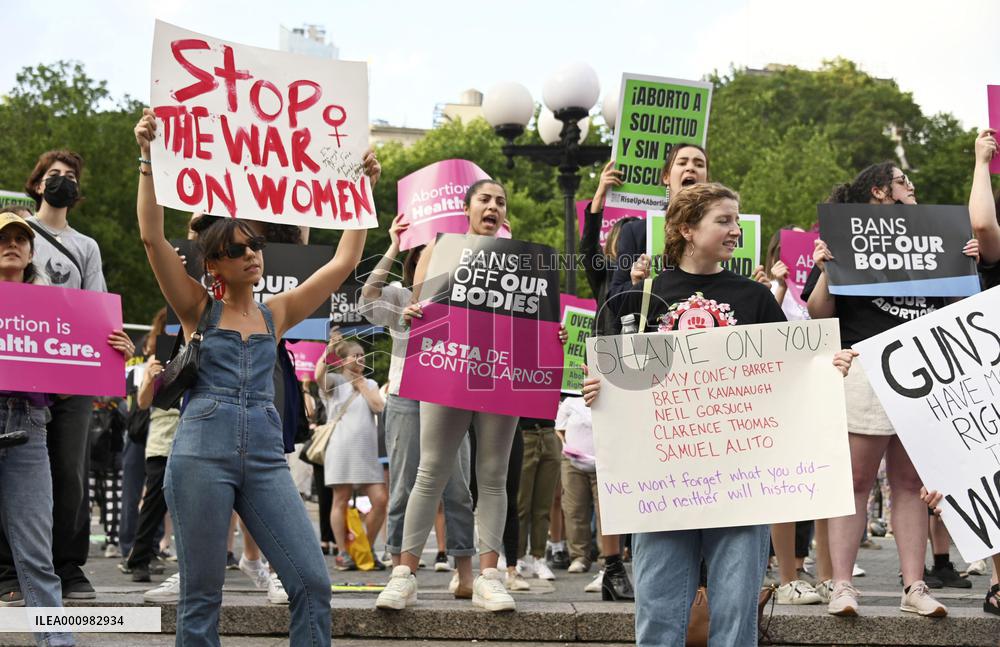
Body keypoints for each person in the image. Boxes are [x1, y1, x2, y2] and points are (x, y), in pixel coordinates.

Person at [134, 108, 372, 645]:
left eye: (255, 245)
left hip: (265, 458)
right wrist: (147, 157)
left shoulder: (278, 312)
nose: (251, 254)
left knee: (312, 582)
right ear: (212, 265)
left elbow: (344, 260)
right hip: (200, 453)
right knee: (201, 599)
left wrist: (361, 190)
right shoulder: (197, 309)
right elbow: (152, 238)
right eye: (235, 250)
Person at [582, 184, 857, 645]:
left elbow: (787, 374)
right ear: (687, 229)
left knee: (734, 616)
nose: (735, 230)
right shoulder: (644, 295)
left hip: (739, 482)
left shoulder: (754, 298)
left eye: (736, 220)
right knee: (658, 613)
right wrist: (598, 387)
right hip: (663, 481)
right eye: (723, 221)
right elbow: (616, 375)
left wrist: (826, 370)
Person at [376, 179, 564, 612]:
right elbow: (418, 302)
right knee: (431, 471)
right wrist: (411, 311)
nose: (494, 205)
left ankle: (490, 578)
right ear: (468, 208)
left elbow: (540, 318)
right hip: (450, 367)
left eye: (501, 199)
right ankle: (404, 576)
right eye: (485, 198)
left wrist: (554, 336)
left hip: (502, 370)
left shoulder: (527, 262)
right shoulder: (443, 252)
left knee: (494, 476)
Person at [804, 161, 978, 618]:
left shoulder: (936, 238)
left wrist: (966, 263)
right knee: (856, 482)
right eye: (903, 180)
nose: (913, 186)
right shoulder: (846, 237)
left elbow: (959, 306)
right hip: (864, 365)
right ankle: (842, 586)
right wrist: (826, 269)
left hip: (921, 368)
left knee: (910, 483)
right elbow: (819, 315)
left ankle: (914, 585)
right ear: (879, 192)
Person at [0, 211, 131, 645]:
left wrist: (116, 349)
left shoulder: (59, 307)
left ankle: (57, 641)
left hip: (29, 426)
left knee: (37, 553)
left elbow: (85, 358)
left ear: (32, 251)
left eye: (21, 238)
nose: (12, 244)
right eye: (3, 238)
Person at [0, 150, 111, 603]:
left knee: (69, 471)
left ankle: (68, 565)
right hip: (18, 376)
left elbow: (96, 308)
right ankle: (10, 570)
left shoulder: (85, 246)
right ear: (37, 182)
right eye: (53, 175)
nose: (62, 181)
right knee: (13, 470)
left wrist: (109, 348)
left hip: (70, 374)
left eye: (70, 176)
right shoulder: (17, 230)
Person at [357, 214, 476, 595]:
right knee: (404, 487)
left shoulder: (467, 300)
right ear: (415, 263)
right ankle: (399, 572)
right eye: (427, 256)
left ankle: (464, 571)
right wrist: (393, 244)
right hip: (406, 395)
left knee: (458, 488)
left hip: (451, 394)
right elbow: (365, 302)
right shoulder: (398, 296)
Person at [753, 228, 826, 605]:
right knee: (785, 486)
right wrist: (779, 285)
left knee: (821, 483)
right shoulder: (768, 290)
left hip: (816, 391)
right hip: (780, 395)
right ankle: (786, 576)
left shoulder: (817, 284)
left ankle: (823, 572)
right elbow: (764, 332)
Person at [604, 144, 710, 323]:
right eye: (682, 162)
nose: (691, 167)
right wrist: (637, 285)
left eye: (699, 164)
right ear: (667, 177)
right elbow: (615, 302)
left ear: (706, 179)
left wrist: (754, 289)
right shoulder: (636, 232)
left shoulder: (726, 231)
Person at [315, 333, 388, 571]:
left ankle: (365, 548)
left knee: (380, 499)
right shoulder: (334, 382)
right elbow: (318, 376)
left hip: (367, 452)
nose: (360, 360)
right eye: (355, 356)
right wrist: (329, 351)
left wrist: (362, 388)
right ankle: (344, 553)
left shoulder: (371, 383)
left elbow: (379, 406)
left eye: (362, 356)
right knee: (341, 499)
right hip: (341, 448)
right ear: (343, 360)